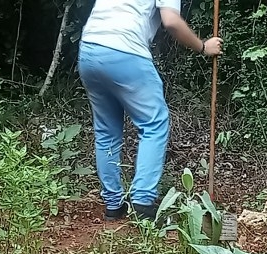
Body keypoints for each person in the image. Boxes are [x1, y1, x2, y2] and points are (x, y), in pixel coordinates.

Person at [79, 0, 223, 221]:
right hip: (125, 52)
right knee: (154, 124)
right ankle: (142, 203)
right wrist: (203, 46)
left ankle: (113, 205)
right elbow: (171, 21)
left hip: (89, 50)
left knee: (106, 131)